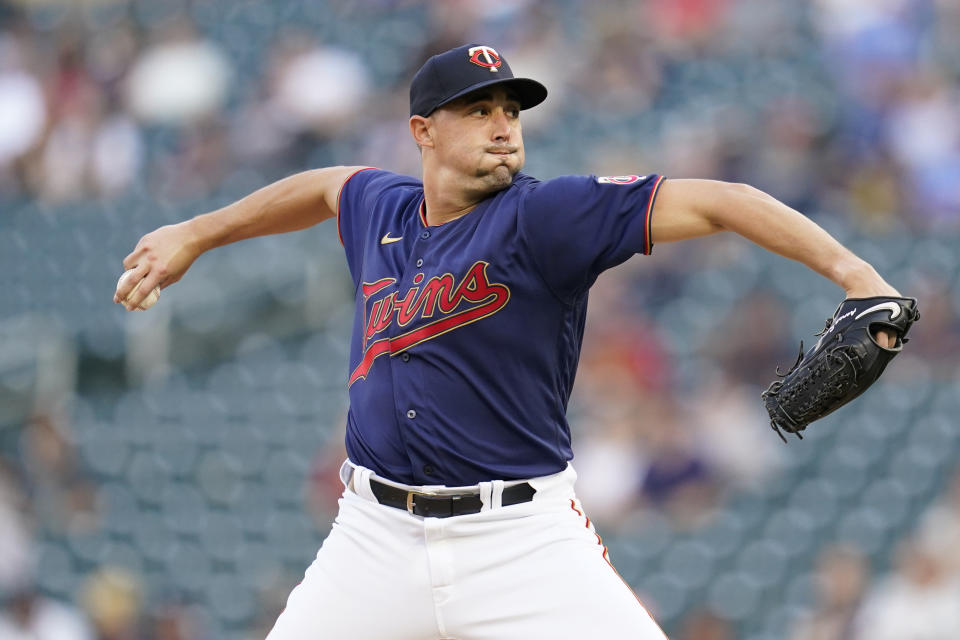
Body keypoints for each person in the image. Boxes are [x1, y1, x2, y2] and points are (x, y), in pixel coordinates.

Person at [115, 44, 904, 639]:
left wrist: (854, 270)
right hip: (373, 536)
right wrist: (196, 231)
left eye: (511, 111)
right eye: (479, 110)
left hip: (519, 536)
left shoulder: (545, 218)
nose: (503, 127)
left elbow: (724, 201)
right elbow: (323, 186)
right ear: (423, 130)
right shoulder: (379, 208)